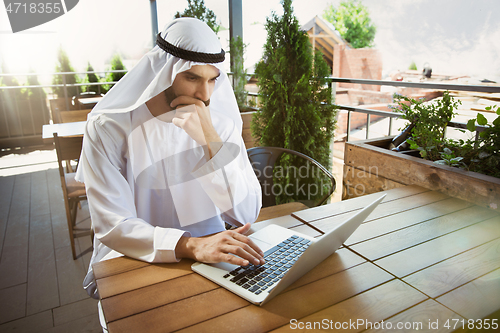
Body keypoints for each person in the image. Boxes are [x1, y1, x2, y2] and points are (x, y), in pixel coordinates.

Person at [76, 17, 263, 313]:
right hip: (135, 262)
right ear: (164, 71)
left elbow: (246, 213)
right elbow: (113, 225)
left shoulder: (220, 125)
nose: (205, 95)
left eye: (212, 79)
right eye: (192, 78)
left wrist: (211, 143)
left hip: (214, 260)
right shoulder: (108, 127)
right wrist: (190, 246)